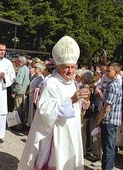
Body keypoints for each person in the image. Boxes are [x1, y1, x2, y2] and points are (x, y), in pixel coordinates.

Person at [18, 36, 90, 170]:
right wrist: (73, 100)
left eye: (72, 67)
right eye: (66, 67)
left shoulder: (73, 82)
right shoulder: (51, 83)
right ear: (57, 66)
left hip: (71, 130)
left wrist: (81, 103)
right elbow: (45, 110)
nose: (70, 71)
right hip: (55, 134)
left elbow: (73, 106)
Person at [96, 62, 122, 170]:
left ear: (115, 72)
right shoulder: (114, 83)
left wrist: (99, 120)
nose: (106, 73)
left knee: (108, 148)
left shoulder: (113, 85)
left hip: (109, 121)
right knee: (108, 147)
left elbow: (107, 107)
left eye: (109, 71)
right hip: (111, 120)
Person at [11, 56, 30, 131]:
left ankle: (18, 126)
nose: (17, 62)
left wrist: (14, 91)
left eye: (18, 61)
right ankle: (21, 124)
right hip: (24, 91)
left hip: (20, 92)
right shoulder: (27, 69)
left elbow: (18, 82)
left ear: (21, 61)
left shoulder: (22, 69)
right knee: (22, 109)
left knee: (17, 109)